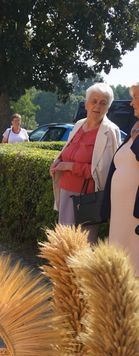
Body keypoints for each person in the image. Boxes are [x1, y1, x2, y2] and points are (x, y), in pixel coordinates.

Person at [50, 82, 121, 243]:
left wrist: (70, 166)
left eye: (103, 103)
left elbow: (104, 172)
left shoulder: (110, 131)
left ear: (108, 108)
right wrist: (59, 162)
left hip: (87, 198)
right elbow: (68, 152)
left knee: (83, 246)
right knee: (63, 245)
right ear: (86, 103)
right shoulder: (78, 124)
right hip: (66, 192)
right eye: (94, 101)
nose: (97, 106)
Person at [104, 82, 139, 274]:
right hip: (121, 211)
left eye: (135, 97)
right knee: (121, 259)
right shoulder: (134, 127)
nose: (132, 103)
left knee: (134, 259)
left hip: (135, 211)